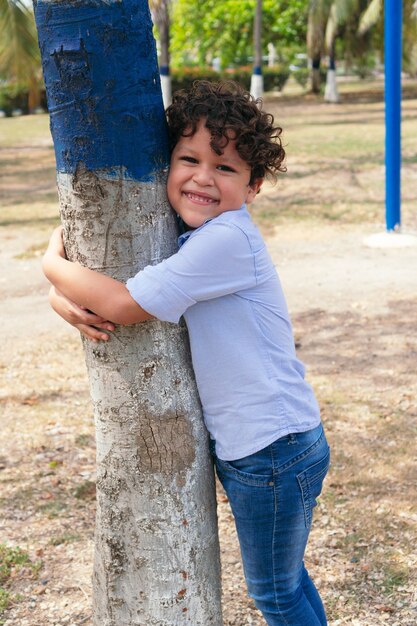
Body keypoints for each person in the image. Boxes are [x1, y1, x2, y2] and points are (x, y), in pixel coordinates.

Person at [43, 80, 330, 626]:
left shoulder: (226, 241)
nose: (202, 177)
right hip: (276, 441)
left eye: (225, 168)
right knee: (286, 582)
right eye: (188, 158)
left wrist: (49, 266)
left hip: (272, 449)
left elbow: (124, 304)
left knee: (275, 593)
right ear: (166, 164)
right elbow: (114, 287)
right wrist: (63, 297)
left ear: (254, 184)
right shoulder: (192, 235)